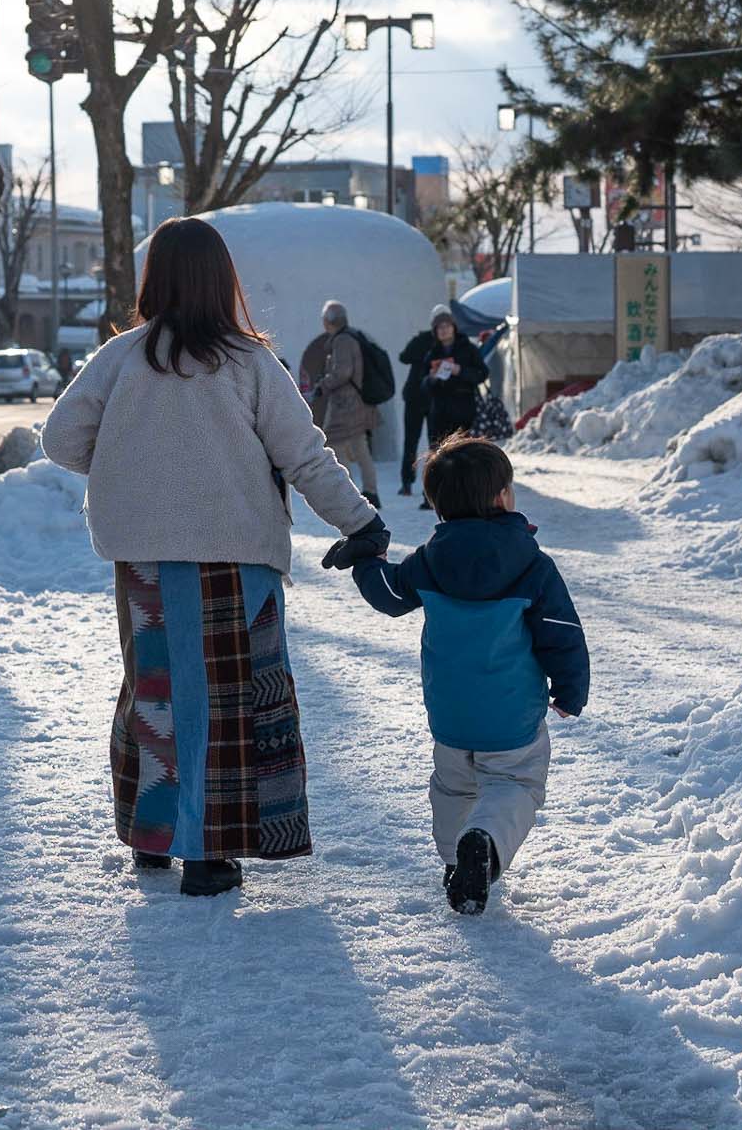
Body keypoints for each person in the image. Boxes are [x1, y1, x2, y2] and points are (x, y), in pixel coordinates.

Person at [40, 218, 384, 898]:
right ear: (222, 281)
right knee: (226, 704)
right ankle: (207, 852)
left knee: (157, 693)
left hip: (144, 560)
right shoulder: (249, 362)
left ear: (156, 280)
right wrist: (361, 521)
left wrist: (124, 468)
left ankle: (154, 834)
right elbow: (305, 457)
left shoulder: (122, 356)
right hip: (237, 555)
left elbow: (60, 439)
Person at [324, 435, 589, 916]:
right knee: (516, 784)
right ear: (502, 497)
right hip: (510, 716)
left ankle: (455, 862)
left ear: (439, 505)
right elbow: (561, 632)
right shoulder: (532, 565)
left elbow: (389, 595)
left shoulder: (431, 559)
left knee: (453, 788)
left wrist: (365, 559)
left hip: (449, 714)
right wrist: (571, 689)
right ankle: (483, 844)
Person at [299, 301, 380, 507]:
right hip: (355, 402)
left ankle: (349, 494)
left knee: (336, 445)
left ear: (329, 321)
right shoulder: (351, 337)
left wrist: (322, 385)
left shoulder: (342, 340)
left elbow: (342, 372)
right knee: (359, 446)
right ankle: (370, 491)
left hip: (345, 404)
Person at [416, 314, 491, 491]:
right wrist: (432, 378)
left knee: (464, 453)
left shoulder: (468, 349)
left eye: (447, 326)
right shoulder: (432, 353)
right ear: (435, 331)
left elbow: (482, 374)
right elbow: (422, 385)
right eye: (439, 327)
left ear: (454, 328)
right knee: (438, 455)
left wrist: (460, 371)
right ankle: (436, 493)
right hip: (439, 411)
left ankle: (467, 491)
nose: (443, 330)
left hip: (463, 408)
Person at [396, 308, 448, 496]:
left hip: (415, 396)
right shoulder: (447, 345)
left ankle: (407, 483)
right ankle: (432, 486)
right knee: (435, 443)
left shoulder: (422, 339)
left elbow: (404, 357)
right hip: (433, 397)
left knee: (411, 441)